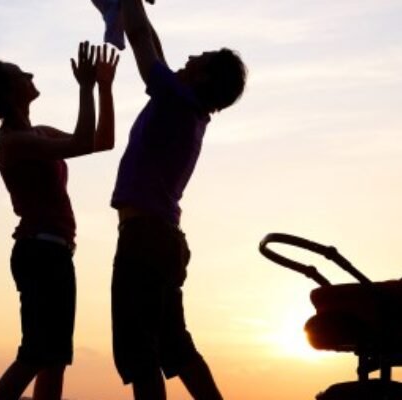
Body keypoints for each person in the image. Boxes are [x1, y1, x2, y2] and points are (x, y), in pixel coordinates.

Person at [0, 41, 119, 400]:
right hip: (39, 253)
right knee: (35, 355)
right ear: (10, 93)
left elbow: (102, 141)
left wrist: (104, 86)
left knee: (54, 358)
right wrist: (86, 88)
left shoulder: (36, 132)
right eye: (20, 73)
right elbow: (85, 139)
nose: (30, 75)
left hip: (53, 252)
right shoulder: (15, 141)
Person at [110, 1, 247, 399]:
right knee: (174, 345)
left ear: (203, 76)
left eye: (198, 58)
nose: (188, 57)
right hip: (163, 238)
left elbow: (140, 40)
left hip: (144, 238)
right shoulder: (187, 106)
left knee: (142, 353)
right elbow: (152, 40)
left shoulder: (177, 101)